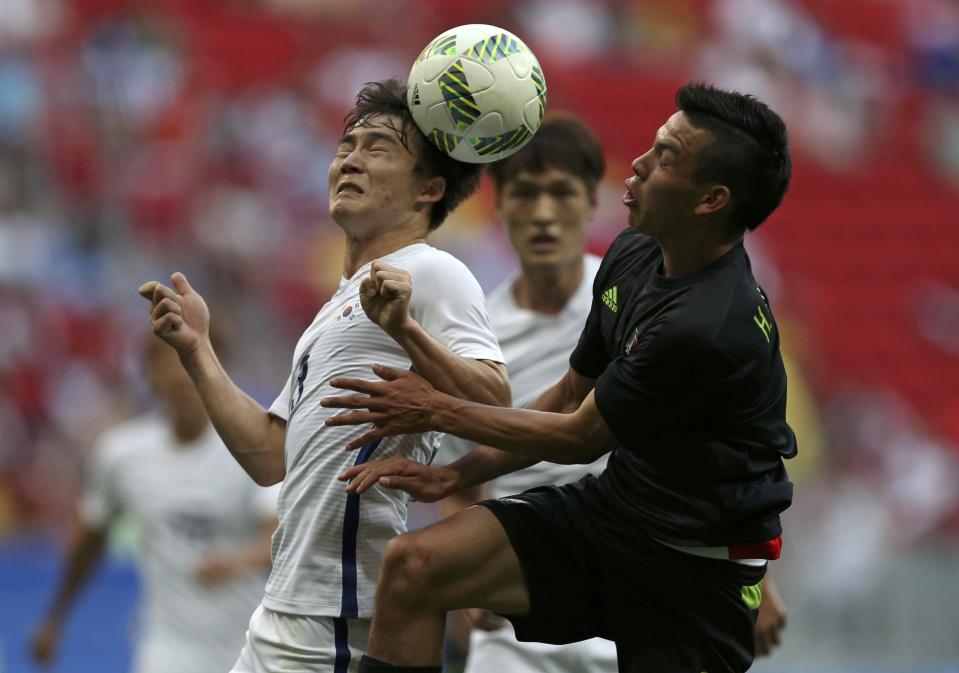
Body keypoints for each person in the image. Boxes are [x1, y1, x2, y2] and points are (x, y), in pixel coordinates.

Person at [324, 81, 797, 673]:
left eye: (667, 158)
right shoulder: (637, 253)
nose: (640, 165)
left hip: (697, 573)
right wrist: (454, 476)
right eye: (653, 145)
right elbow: (570, 393)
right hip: (614, 515)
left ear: (711, 200)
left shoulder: (707, 326)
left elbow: (579, 437)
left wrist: (435, 410)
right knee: (414, 566)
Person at [138, 78, 509, 673]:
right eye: (347, 146)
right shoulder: (332, 310)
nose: (352, 159)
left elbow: (497, 400)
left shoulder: (434, 271)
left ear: (429, 189)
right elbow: (269, 456)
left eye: (379, 147)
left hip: (341, 616)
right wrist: (198, 350)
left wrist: (410, 333)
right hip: (285, 609)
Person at [440, 112, 787, 673]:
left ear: (588, 202)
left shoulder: (657, 298)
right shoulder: (472, 332)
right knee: (413, 570)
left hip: (642, 571)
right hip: (526, 598)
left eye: (562, 193)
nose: (544, 214)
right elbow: (458, 470)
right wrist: (474, 578)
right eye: (525, 195)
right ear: (498, 206)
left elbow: (724, 451)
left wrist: (755, 577)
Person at [30, 335, 278, 673]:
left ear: (217, 370)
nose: (180, 376)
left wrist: (240, 561)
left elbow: (279, 533)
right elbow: (89, 540)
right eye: (167, 362)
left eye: (190, 363)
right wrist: (55, 617)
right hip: (166, 650)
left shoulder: (251, 451)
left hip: (247, 647)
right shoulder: (121, 455)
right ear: (149, 373)